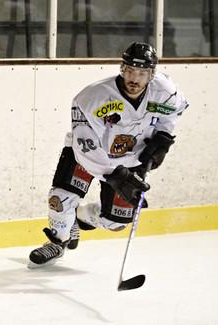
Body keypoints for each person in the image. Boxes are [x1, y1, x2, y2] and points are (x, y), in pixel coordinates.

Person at [28, 42, 188, 268]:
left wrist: (163, 138)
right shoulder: (92, 98)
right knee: (60, 199)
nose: (135, 79)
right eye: (130, 71)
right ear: (122, 69)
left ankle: (80, 217)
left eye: (142, 73)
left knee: (116, 222)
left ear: (152, 74)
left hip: (132, 160)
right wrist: (115, 176)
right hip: (86, 155)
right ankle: (57, 241)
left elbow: (172, 113)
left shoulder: (165, 92)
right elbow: (86, 147)